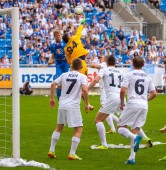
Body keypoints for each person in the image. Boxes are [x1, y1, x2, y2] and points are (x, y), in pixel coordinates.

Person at [117, 56, 157, 164]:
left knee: (120, 128)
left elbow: (122, 91)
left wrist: (121, 103)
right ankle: (131, 158)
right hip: (144, 105)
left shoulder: (129, 74)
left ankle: (135, 138)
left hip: (132, 104)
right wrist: (145, 100)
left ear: (132, 64)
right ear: (143, 65)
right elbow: (154, 93)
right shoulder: (147, 76)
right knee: (134, 129)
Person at [48, 58, 89, 160]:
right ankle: (72, 153)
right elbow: (85, 90)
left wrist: (52, 98)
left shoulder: (64, 75)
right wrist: (87, 104)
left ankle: (51, 150)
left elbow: (53, 84)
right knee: (78, 128)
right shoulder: (82, 77)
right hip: (73, 106)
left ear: (71, 66)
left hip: (62, 104)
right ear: (81, 67)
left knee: (59, 127)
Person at [88, 55, 123, 149]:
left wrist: (86, 89)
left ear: (106, 62)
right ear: (115, 63)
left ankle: (104, 144)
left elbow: (95, 80)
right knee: (112, 116)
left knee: (98, 120)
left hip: (111, 97)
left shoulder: (105, 69)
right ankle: (135, 134)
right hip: (119, 96)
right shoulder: (120, 72)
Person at [62, 19, 94, 110]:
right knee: (82, 85)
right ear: (68, 38)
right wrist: (81, 23)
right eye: (69, 34)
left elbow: (69, 61)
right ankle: (86, 105)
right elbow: (79, 31)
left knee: (80, 86)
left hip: (75, 65)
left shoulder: (65, 49)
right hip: (81, 64)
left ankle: (86, 103)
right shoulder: (74, 38)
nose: (70, 34)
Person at [49, 30, 69, 100]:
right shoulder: (53, 46)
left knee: (66, 80)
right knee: (59, 82)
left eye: (59, 35)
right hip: (58, 64)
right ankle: (59, 98)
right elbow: (53, 55)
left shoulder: (65, 43)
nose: (58, 36)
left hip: (66, 63)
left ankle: (67, 96)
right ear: (54, 36)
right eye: (57, 35)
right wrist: (51, 60)